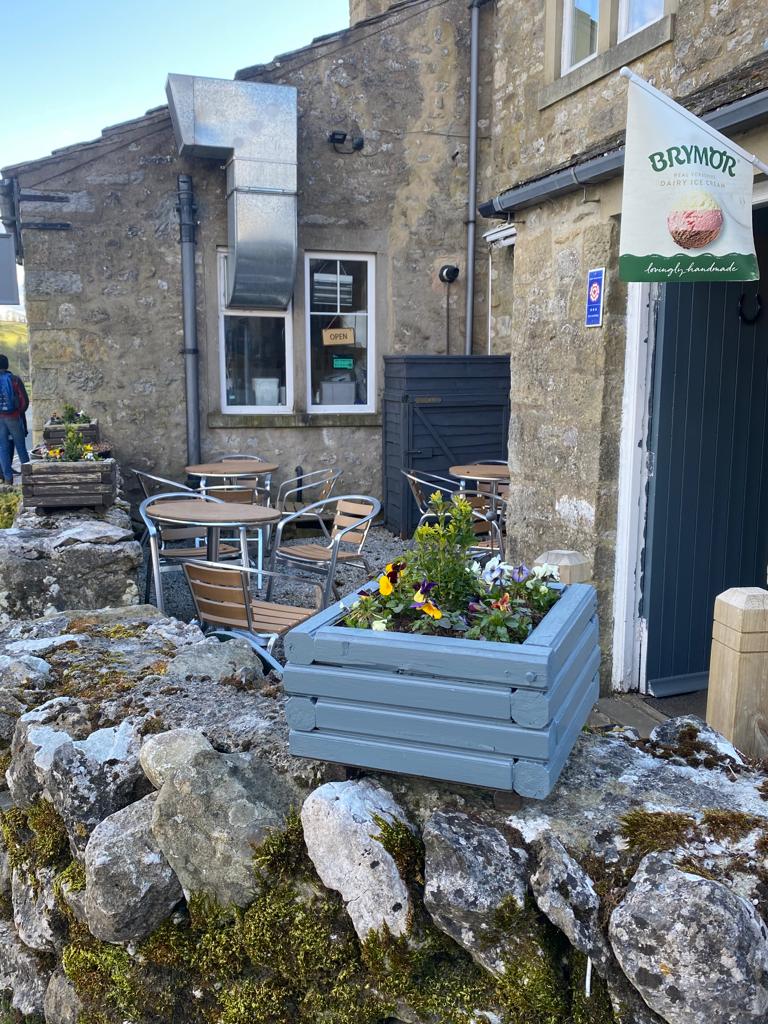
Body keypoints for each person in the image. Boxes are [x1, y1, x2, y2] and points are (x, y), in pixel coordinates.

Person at [0, 354, 30, 485]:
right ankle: (28, 477)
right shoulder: (14, 379)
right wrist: (18, 412)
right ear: (6, 365)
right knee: (21, 447)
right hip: (13, 417)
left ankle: (8, 480)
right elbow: (25, 401)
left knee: (3, 448)